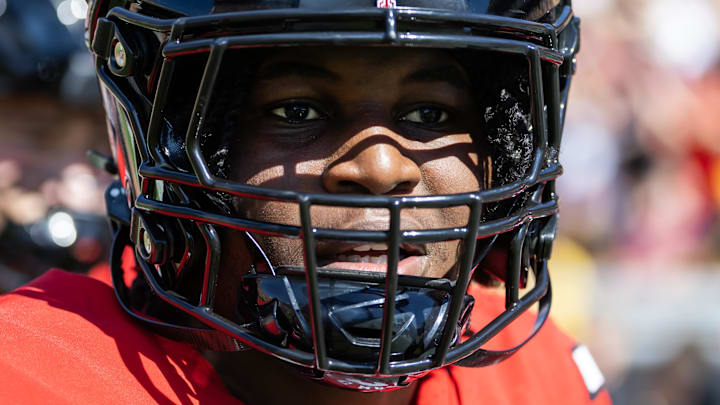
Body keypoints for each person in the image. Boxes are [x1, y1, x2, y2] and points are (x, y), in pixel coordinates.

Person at [0, 0, 613, 404]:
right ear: (172, 149)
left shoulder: (543, 382)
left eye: (430, 114)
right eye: (297, 111)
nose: (379, 168)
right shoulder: (35, 374)